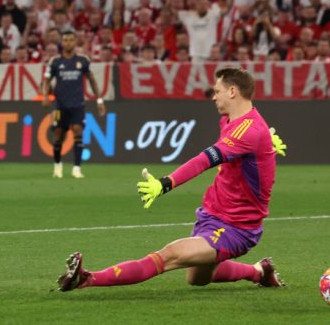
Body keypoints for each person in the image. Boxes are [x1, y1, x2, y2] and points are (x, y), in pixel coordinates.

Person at [57, 68, 287, 292]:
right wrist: (266, 148)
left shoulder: (249, 131)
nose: (213, 96)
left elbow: (205, 160)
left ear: (233, 91)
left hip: (237, 226)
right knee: (196, 278)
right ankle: (260, 272)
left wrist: (165, 183)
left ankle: (88, 278)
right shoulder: (230, 122)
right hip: (212, 213)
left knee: (168, 256)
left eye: (217, 90)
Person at [41, 31, 106, 179]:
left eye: (71, 40)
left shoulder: (83, 60)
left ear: (75, 42)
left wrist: (99, 100)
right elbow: (46, 81)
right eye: (65, 40)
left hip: (77, 104)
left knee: (78, 131)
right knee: (58, 135)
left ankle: (76, 168)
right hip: (60, 105)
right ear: (62, 42)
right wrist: (45, 96)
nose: (68, 43)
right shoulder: (55, 61)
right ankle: (58, 165)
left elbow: (92, 80)